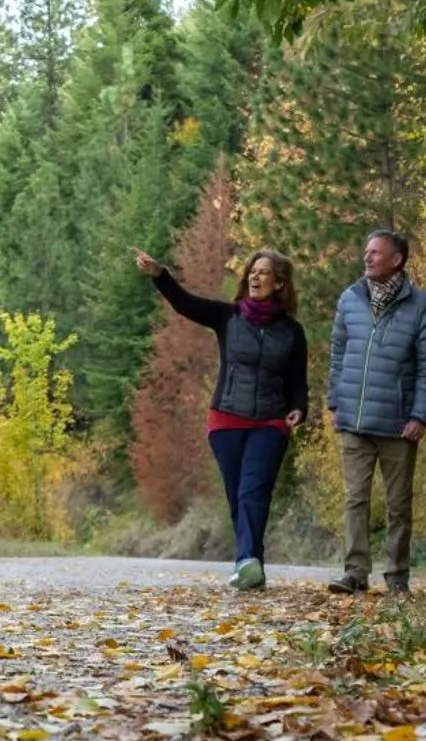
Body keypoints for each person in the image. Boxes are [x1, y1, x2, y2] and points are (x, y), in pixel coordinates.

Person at [132, 243, 308, 591]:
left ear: (280, 283)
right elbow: (185, 304)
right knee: (237, 495)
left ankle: (246, 561)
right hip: (226, 421)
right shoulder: (228, 317)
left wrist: (300, 409)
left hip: (270, 423)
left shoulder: (291, 332)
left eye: (263, 273)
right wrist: (160, 276)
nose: (255, 277)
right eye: (252, 272)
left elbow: (298, 383)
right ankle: (251, 563)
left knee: (253, 491)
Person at [325, 229, 426, 595]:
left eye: (375, 252)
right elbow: (338, 355)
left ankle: (397, 577)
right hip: (354, 421)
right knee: (355, 498)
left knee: (398, 505)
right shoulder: (350, 299)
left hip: (398, 424)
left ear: (396, 260)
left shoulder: (422, 305)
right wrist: (335, 402)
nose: (367, 257)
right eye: (366, 251)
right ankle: (355, 573)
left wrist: (420, 416)